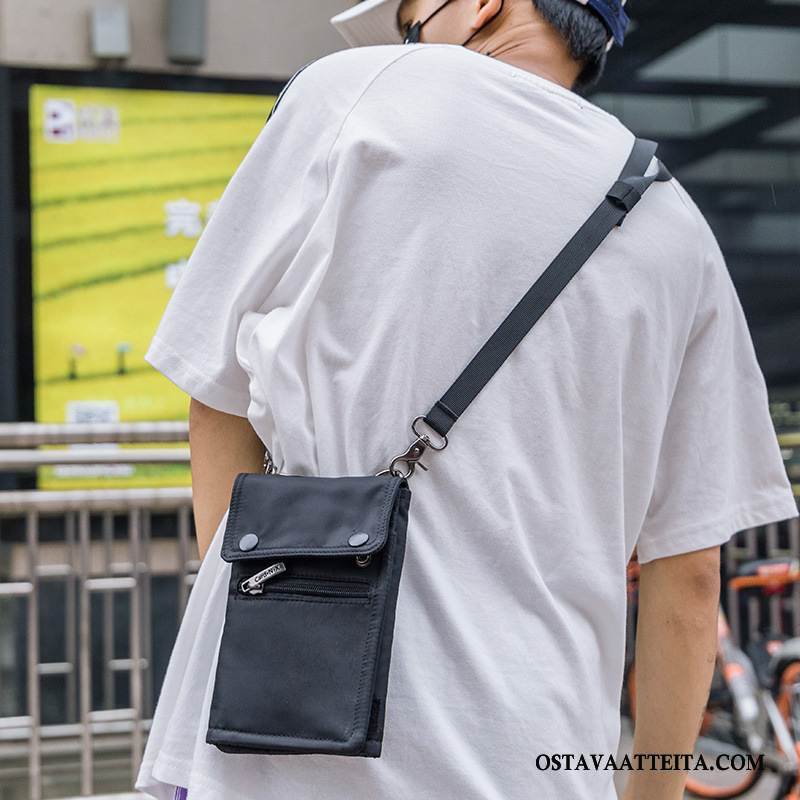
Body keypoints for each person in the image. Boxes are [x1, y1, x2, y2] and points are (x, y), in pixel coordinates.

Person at [135, 1, 799, 798]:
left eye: (410, 19)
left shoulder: (359, 90)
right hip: (538, 758)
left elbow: (217, 396)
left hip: (279, 747)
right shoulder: (678, 229)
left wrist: (256, 607)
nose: (407, 42)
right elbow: (688, 574)